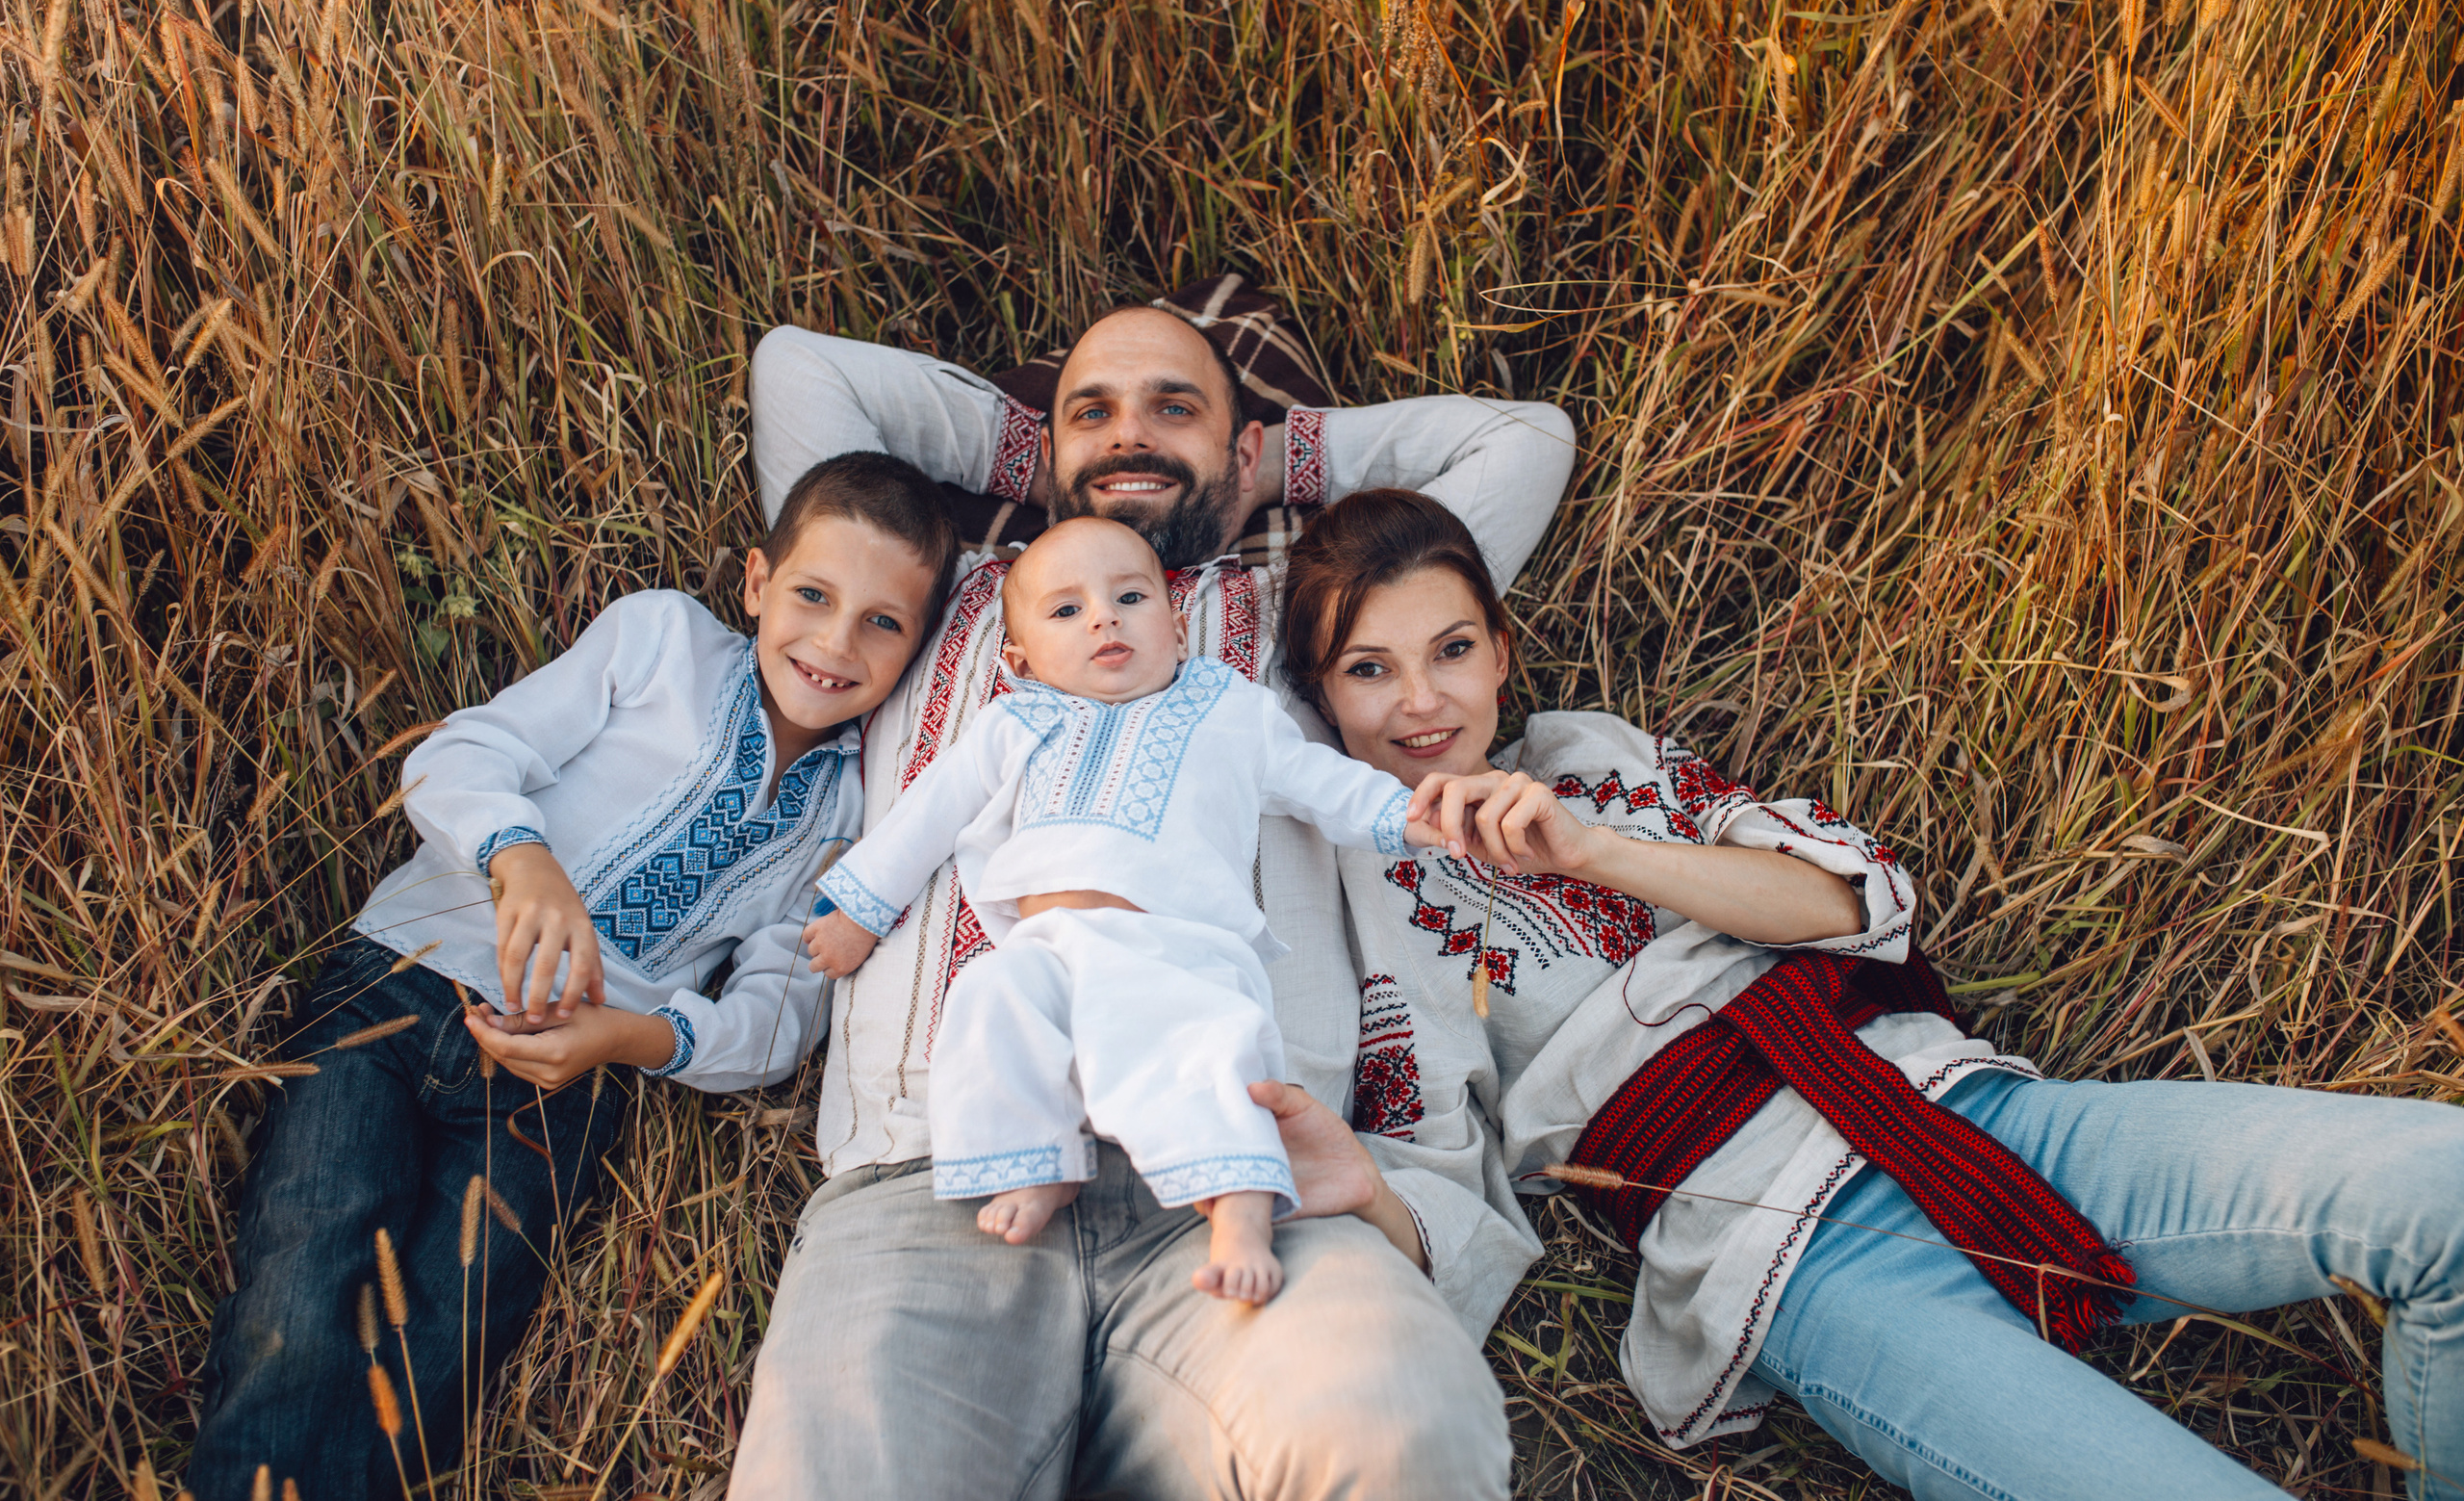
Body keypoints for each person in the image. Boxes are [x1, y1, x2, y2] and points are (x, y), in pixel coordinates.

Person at [1283, 486, 2464, 1501]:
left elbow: (1848, 901)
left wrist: (1592, 851)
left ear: (1497, 647)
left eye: (1449, 649)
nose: (1421, 702)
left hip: (1962, 1116)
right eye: (1366, 670)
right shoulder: (1365, 902)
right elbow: (1439, 1171)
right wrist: (1363, 1200)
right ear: (1320, 700)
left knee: (2443, 1190)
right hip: (1794, 1261)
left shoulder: (1591, 758)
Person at [730, 290, 1576, 1498]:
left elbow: (1524, 441)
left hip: (1239, 1169)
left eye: (1172, 410)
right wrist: (1062, 465)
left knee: (1402, 1436)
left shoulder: (1296, 613)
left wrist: (1263, 466)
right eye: (1093, 414)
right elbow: (801, 367)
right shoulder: (951, 599)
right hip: (938, 1174)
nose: (1129, 433)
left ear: (1240, 451)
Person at [185, 453, 961, 1501]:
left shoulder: (852, 816)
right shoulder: (661, 643)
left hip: (561, 1086)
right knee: (307, 1258)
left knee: (449, 1338)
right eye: (813, 596)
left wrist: (628, 1040)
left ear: (916, 651)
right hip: (405, 985)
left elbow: (775, 1021)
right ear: (754, 584)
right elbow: (460, 756)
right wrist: (521, 858)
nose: (833, 642)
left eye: (883, 623)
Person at [805, 517, 1438, 1302]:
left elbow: (1321, 781)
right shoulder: (1016, 720)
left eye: (1130, 596)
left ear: (1178, 627)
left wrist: (1413, 812)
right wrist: (861, 910)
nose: (1104, 616)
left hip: (1180, 945)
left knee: (1214, 1055)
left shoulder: (1229, 709)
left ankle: (1241, 1209)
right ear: (1019, 659)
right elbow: (927, 812)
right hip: (1049, 944)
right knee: (985, 1006)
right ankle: (1040, 1160)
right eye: (1066, 611)